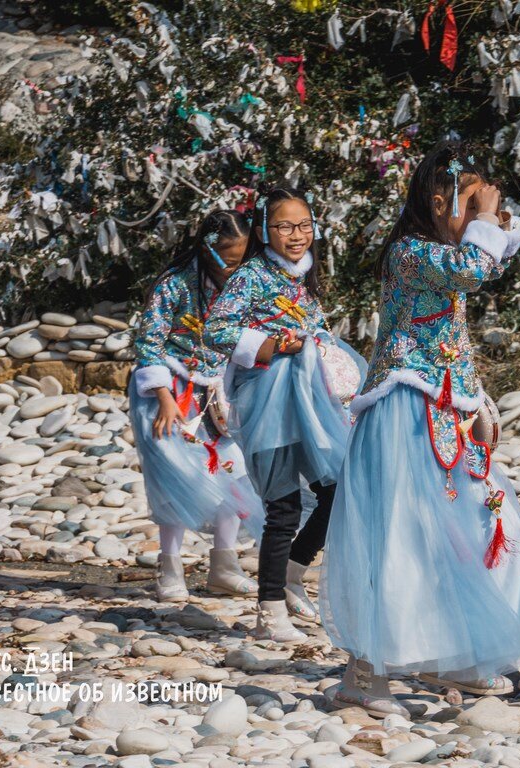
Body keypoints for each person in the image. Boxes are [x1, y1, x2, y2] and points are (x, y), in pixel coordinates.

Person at [320, 141, 520, 717]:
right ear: (439, 201)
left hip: (441, 408)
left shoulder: (434, 253)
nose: (481, 213)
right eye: (470, 201)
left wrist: (478, 401)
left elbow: (456, 332)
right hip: (402, 413)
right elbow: (473, 269)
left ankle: (457, 653)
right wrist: (487, 224)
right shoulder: (409, 253)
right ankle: (364, 671)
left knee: (480, 523)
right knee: (400, 539)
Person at [205, 185, 366, 643]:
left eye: (304, 225)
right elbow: (216, 330)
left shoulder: (303, 274)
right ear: (263, 230)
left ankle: (294, 572)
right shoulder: (251, 276)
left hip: (313, 400)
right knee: (283, 507)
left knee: (336, 491)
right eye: (284, 226)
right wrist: (269, 346)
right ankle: (269, 611)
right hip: (271, 399)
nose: (297, 235)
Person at [130, 209, 264, 603]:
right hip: (168, 393)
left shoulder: (243, 287)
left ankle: (223, 564)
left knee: (233, 473)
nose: (238, 270)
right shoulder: (174, 285)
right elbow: (148, 342)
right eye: (232, 261)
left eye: (245, 260)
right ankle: (169, 568)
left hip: (218, 393)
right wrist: (164, 397)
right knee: (175, 477)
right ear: (209, 251)